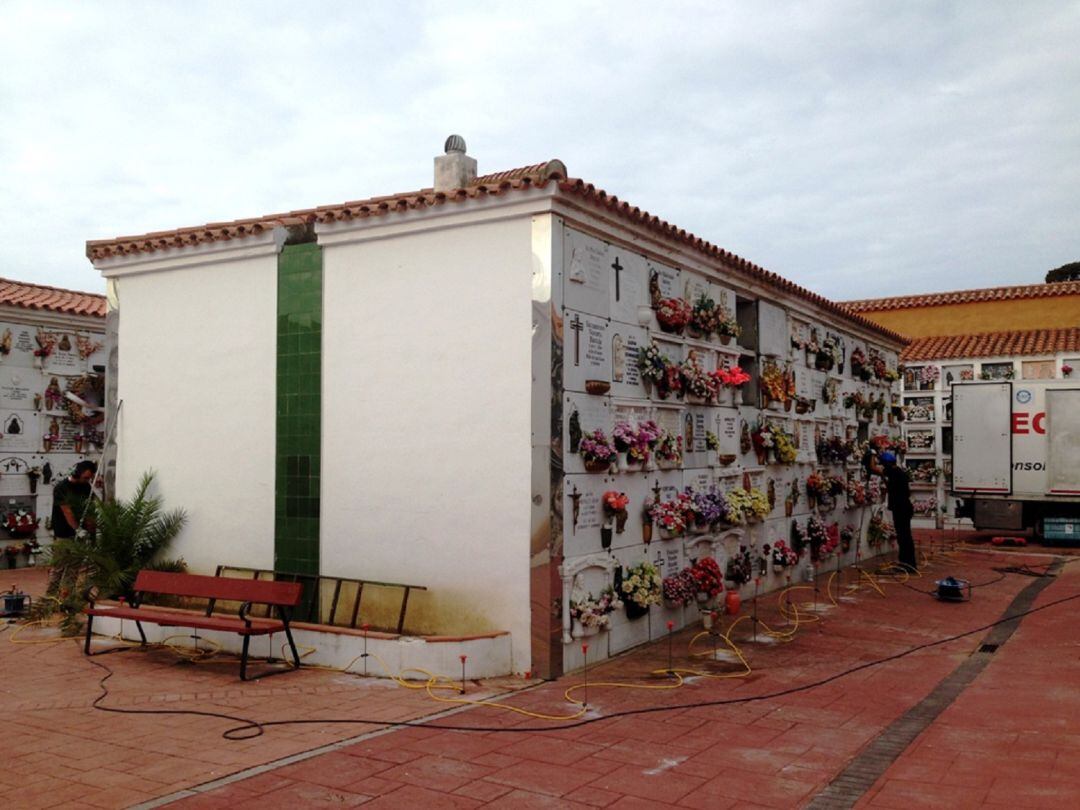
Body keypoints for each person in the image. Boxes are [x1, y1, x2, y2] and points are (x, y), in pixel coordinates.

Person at [877, 450, 917, 572]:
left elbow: (877, 469)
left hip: (901, 508)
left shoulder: (894, 473)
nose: (882, 466)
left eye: (883, 464)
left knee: (904, 536)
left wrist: (871, 454)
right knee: (904, 536)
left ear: (887, 464)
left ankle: (907, 564)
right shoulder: (898, 472)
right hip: (904, 507)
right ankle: (907, 563)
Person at [51, 460, 97, 539]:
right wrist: (78, 529)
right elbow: (67, 511)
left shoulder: (86, 486)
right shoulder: (62, 487)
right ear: (77, 474)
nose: (87, 480)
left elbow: (89, 507)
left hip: (83, 529)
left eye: (89, 478)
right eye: (86, 478)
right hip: (64, 531)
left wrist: (91, 528)